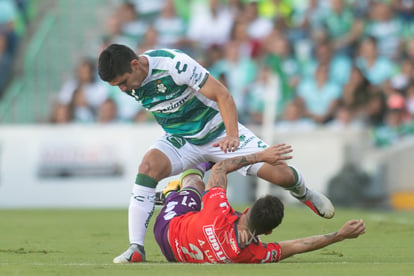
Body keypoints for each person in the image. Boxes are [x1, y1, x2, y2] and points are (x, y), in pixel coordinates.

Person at [97, 44, 335, 263]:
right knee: (147, 168)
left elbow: (223, 95)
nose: (123, 89)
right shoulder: (131, 84)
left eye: (123, 82)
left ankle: (303, 193)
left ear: (135, 65)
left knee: (281, 175)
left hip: (219, 132)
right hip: (182, 140)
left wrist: (232, 135)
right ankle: (136, 247)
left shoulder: (174, 65)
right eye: (118, 85)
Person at [153, 145, 366, 263]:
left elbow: (219, 169)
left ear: (247, 209)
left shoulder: (218, 211)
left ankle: (172, 191)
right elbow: (296, 246)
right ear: (270, 231)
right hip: (174, 256)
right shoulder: (254, 254)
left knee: (195, 182)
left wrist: (260, 156)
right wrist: (340, 235)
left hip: (167, 229)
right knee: (204, 197)